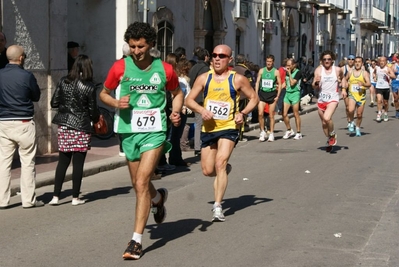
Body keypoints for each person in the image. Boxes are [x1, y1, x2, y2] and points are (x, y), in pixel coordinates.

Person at [99, 22, 183, 260]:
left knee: (143, 180)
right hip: (128, 131)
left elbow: (177, 93)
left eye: (141, 46)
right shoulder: (120, 67)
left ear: (151, 45)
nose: (136, 51)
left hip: (155, 131)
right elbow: (104, 93)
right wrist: (116, 103)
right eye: (132, 46)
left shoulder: (164, 69)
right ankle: (158, 199)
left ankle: (135, 241)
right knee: (138, 184)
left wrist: (176, 111)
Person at [185, 44, 258, 222]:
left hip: (229, 126)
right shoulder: (204, 78)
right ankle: (225, 169)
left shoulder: (238, 79)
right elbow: (189, 100)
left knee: (220, 163)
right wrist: (202, 111)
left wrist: (243, 113)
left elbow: (254, 98)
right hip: (209, 128)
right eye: (214, 55)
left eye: (222, 56)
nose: (217, 58)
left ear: (229, 60)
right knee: (207, 170)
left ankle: (217, 206)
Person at [49, 55, 100, 206]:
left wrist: (65, 108)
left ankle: (56, 196)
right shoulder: (89, 86)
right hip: (81, 126)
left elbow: (54, 102)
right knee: (78, 163)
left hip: (65, 125)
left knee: (62, 162)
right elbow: (93, 111)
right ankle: (75, 197)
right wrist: (95, 119)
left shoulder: (63, 81)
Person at [0, 45, 42, 209]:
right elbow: (36, 96)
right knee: (27, 162)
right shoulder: (27, 76)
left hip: (3, 122)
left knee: (3, 162)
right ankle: (28, 200)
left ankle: (2, 200)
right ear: (21, 58)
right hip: (24, 122)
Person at [312, 50, 345, 153]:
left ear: (332, 60)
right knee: (324, 123)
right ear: (322, 60)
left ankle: (332, 134)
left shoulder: (337, 70)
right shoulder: (318, 70)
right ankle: (329, 139)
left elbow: (343, 78)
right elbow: (314, 86)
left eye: (329, 59)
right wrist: (316, 83)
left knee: (327, 118)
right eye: (324, 59)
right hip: (322, 99)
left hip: (333, 98)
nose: (327, 61)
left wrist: (343, 89)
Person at [169, 57, 192, 166]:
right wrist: (183, 106)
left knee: (173, 135)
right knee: (175, 135)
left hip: (173, 109)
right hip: (180, 110)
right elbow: (183, 95)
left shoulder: (175, 79)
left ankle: (174, 157)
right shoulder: (181, 81)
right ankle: (175, 158)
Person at [188, 47, 210, 156]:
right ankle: (200, 145)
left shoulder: (193, 67)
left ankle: (198, 145)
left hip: (194, 97)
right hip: (202, 99)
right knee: (201, 123)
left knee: (197, 122)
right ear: (206, 57)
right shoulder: (205, 69)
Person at [255, 54, 281, 142]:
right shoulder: (261, 71)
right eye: (267, 61)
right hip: (262, 94)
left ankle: (271, 133)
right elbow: (257, 82)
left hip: (272, 94)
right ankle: (262, 132)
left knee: (271, 115)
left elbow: (280, 84)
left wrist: (278, 96)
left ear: (273, 62)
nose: (268, 63)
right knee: (260, 113)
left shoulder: (276, 72)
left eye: (270, 61)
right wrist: (256, 94)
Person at [343, 56, 371, 137]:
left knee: (359, 114)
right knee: (350, 110)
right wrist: (344, 88)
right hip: (352, 95)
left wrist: (363, 84)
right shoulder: (350, 72)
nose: (357, 63)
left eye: (359, 62)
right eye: (356, 62)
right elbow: (344, 79)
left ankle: (358, 127)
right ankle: (351, 121)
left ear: (362, 63)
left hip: (361, 96)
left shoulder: (364, 73)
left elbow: (369, 84)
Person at [233, 54, 254, 142]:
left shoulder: (232, 70)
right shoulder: (246, 71)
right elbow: (250, 83)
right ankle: (240, 136)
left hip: (233, 96)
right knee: (242, 115)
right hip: (243, 96)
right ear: (244, 61)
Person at [282, 59, 302, 140]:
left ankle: (298, 132)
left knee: (295, 113)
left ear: (294, 65)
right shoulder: (286, 72)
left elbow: (292, 83)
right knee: (284, 114)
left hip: (295, 94)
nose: (287, 67)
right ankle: (289, 130)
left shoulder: (298, 72)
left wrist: (289, 73)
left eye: (289, 65)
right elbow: (285, 83)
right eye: (287, 65)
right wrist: (277, 88)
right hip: (287, 94)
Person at [373, 56, 396, 122]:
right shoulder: (376, 68)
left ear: (386, 62)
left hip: (386, 87)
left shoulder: (388, 69)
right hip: (378, 86)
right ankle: (379, 113)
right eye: (380, 61)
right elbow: (374, 73)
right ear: (379, 62)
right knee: (379, 100)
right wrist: (374, 77)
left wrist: (388, 74)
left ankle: (385, 113)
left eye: (383, 61)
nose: (382, 62)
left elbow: (394, 76)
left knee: (385, 102)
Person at [342, 55, 355, 128]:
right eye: (349, 59)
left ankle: (352, 120)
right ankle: (349, 120)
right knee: (347, 107)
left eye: (352, 59)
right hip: (346, 89)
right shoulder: (343, 68)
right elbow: (340, 77)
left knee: (352, 107)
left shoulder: (356, 68)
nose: (351, 60)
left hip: (354, 90)